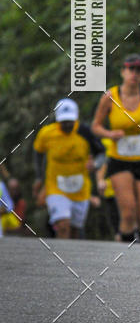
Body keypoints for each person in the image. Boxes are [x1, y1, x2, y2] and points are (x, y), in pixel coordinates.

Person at [91, 54, 140, 242]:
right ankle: (126, 248)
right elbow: (96, 126)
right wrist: (110, 134)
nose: (135, 74)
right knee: (128, 212)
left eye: (139, 70)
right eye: (131, 69)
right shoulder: (110, 97)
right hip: (120, 160)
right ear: (123, 71)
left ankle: (136, 241)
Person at [32, 98, 104, 239]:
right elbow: (38, 153)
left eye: (70, 121)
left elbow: (101, 153)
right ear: (57, 119)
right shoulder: (47, 133)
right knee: (63, 225)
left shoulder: (85, 132)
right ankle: (61, 253)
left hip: (80, 189)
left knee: (75, 231)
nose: (67, 125)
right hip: (56, 187)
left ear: (76, 118)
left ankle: (71, 253)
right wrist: (39, 177)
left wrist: (95, 164)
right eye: (63, 122)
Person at [96, 139, 120, 237]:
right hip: (110, 191)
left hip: (123, 190)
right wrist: (100, 181)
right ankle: (118, 236)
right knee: (114, 217)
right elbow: (102, 164)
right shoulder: (105, 142)